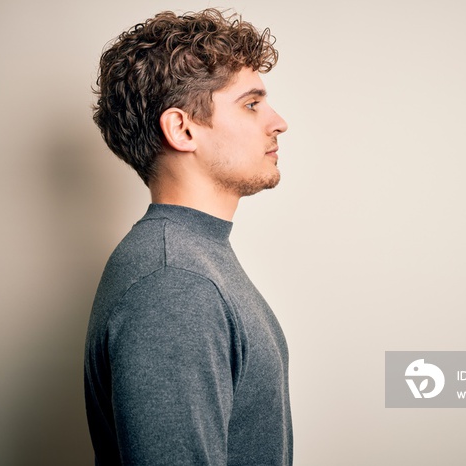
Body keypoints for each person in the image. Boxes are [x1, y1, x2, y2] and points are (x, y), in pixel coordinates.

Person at [85, 8, 292, 465]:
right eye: (251, 103)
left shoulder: (193, 257)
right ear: (182, 128)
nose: (278, 122)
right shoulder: (174, 283)